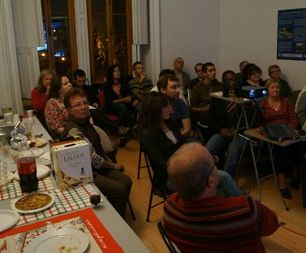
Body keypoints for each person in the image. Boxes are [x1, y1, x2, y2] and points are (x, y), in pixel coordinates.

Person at [163, 143, 279, 253]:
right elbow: (273, 224)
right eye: (214, 163)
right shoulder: (247, 210)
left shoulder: (169, 207)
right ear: (211, 181)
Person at [139, 92, 243, 197]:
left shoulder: (171, 123)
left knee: (219, 183)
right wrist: (191, 167)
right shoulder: (148, 134)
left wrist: (198, 159)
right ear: (155, 110)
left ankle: (242, 204)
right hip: (170, 178)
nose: (171, 109)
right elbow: (161, 165)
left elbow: (182, 146)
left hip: (186, 168)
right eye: (166, 106)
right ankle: (246, 204)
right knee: (222, 180)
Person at [62, 88, 132, 218]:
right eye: (77, 105)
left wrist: (108, 160)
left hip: (96, 168)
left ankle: (114, 215)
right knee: (118, 190)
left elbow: (97, 146)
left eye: (85, 103)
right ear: (69, 110)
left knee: (126, 181)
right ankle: (111, 222)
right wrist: (114, 166)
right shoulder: (74, 131)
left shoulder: (85, 121)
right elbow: (93, 159)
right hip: (84, 174)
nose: (83, 107)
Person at [261, 78, 302, 199]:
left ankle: (295, 174)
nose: (275, 90)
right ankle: (282, 184)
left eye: (277, 87)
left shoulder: (286, 100)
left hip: (287, 129)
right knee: (281, 150)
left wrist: (291, 129)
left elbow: (293, 118)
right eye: (272, 87)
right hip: (272, 132)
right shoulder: (262, 102)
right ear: (267, 90)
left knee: (299, 145)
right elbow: (261, 121)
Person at [207, 70, 245, 177]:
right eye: (229, 80)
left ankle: (226, 179)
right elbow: (211, 121)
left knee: (232, 151)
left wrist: (236, 131)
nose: (232, 82)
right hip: (222, 130)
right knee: (208, 149)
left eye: (234, 80)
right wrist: (220, 130)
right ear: (223, 81)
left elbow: (248, 123)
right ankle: (210, 177)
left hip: (239, 132)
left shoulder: (243, 98)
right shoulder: (217, 98)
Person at [103, 65, 135, 147]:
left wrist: (120, 95)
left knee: (121, 112)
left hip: (123, 108)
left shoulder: (124, 84)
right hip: (111, 108)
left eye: (119, 71)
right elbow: (110, 101)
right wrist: (122, 98)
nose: (118, 73)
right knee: (121, 106)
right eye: (115, 71)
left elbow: (129, 96)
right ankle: (131, 125)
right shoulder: (107, 85)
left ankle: (123, 136)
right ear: (111, 73)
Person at [157, 70, 191, 137]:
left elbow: (187, 130)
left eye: (178, 87)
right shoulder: (155, 106)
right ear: (163, 90)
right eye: (173, 87)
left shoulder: (181, 103)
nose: (178, 91)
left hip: (180, 139)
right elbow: (156, 135)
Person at [191, 62, 223, 129]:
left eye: (214, 70)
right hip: (204, 112)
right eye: (210, 71)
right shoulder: (197, 88)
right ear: (204, 73)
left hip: (218, 111)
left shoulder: (219, 85)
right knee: (211, 116)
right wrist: (204, 109)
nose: (214, 72)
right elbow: (192, 108)